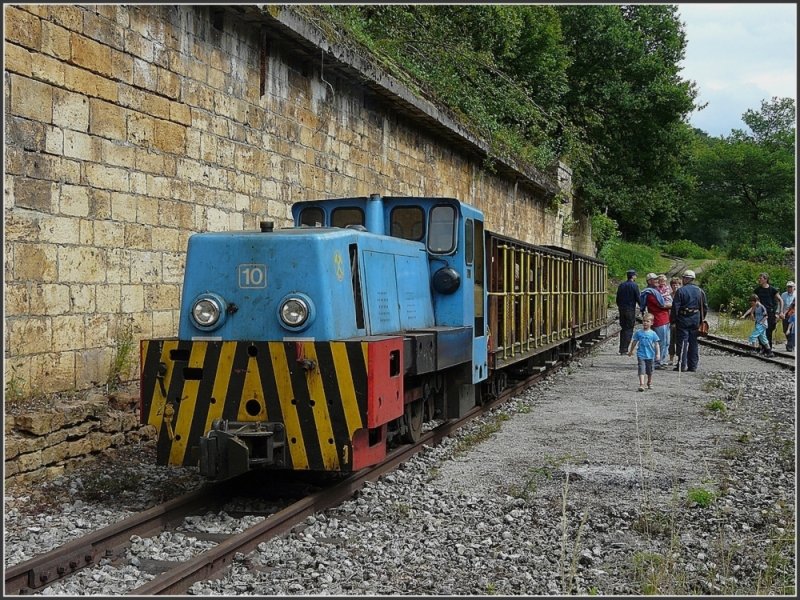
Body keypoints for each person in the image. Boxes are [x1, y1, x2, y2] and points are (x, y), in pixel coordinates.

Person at [670, 269, 708, 372]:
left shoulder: (681, 291)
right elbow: (704, 307)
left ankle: (681, 365)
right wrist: (700, 319)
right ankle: (693, 366)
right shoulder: (700, 291)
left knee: (682, 342)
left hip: (683, 319)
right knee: (693, 343)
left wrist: (673, 320)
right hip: (695, 319)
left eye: (683, 278)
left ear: (686, 279)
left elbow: (675, 307)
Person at [640, 273, 670, 369]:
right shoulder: (651, 294)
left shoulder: (655, 292)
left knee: (666, 342)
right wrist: (675, 304)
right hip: (659, 320)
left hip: (663, 319)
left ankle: (661, 360)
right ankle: (657, 362)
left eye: (657, 279)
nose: (657, 281)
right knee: (661, 341)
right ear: (649, 281)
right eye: (654, 279)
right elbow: (662, 305)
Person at [628, 313, 661, 391]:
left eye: (647, 321)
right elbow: (634, 342)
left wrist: (658, 354)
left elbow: (657, 344)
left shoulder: (653, 334)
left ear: (652, 323)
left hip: (650, 355)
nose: (645, 323)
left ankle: (649, 382)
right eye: (644, 321)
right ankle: (642, 384)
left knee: (650, 370)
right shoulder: (639, 332)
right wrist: (631, 351)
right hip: (641, 354)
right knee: (641, 368)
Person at [753, 273, 783, 351]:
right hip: (760, 313)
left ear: (766, 279)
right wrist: (752, 313)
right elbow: (754, 303)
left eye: (761, 278)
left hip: (769, 313)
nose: (759, 280)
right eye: (759, 278)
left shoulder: (772, 290)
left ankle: (768, 349)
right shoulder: (757, 290)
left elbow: (780, 300)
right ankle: (762, 348)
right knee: (759, 330)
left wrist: (780, 312)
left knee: (768, 331)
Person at [616, 269, 639, 355]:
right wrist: (642, 307)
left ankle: (621, 348)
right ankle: (625, 349)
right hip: (630, 309)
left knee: (623, 328)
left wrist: (620, 306)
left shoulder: (621, 285)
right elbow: (638, 298)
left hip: (622, 309)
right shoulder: (634, 285)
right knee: (629, 329)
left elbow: (617, 298)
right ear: (633, 276)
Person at [667, 276, 682, 365]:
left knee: (679, 341)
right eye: (673, 285)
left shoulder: (682, 295)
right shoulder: (669, 296)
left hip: (679, 320)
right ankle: (671, 359)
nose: (675, 286)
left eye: (677, 285)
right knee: (671, 341)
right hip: (669, 320)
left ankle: (679, 359)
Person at [779, 281, 796, 352]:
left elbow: (792, 306)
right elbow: (780, 304)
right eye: (788, 287)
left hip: (793, 314)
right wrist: (780, 312)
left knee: (792, 330)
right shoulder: (783, 295)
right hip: (785, 314)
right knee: (785, 330)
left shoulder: (796, 295)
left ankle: (790, 345)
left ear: (794, 287)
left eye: (790, 287)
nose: (789, 288)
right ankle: (792, 343)